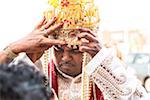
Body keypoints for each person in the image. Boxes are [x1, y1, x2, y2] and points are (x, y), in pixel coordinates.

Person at [1, 0, 149, 100]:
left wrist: (101, 58)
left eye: (75, 50)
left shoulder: (107, 72)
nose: (65, 57)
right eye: (58, 49)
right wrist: (12, 49)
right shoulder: (38, 70)